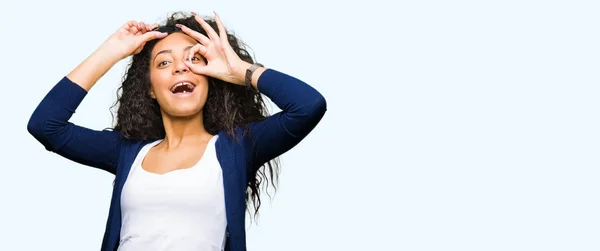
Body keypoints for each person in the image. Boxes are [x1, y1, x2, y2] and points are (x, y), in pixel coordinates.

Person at [27, 11, 326, 251]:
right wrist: (112, 51)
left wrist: (239, 70)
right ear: (150, 89)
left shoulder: (238, 147)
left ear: (211, 78)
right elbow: (46, 125)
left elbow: (308, 106)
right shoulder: (128, 151)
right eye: (164, 62)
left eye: (194, 58)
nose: (180, 68)